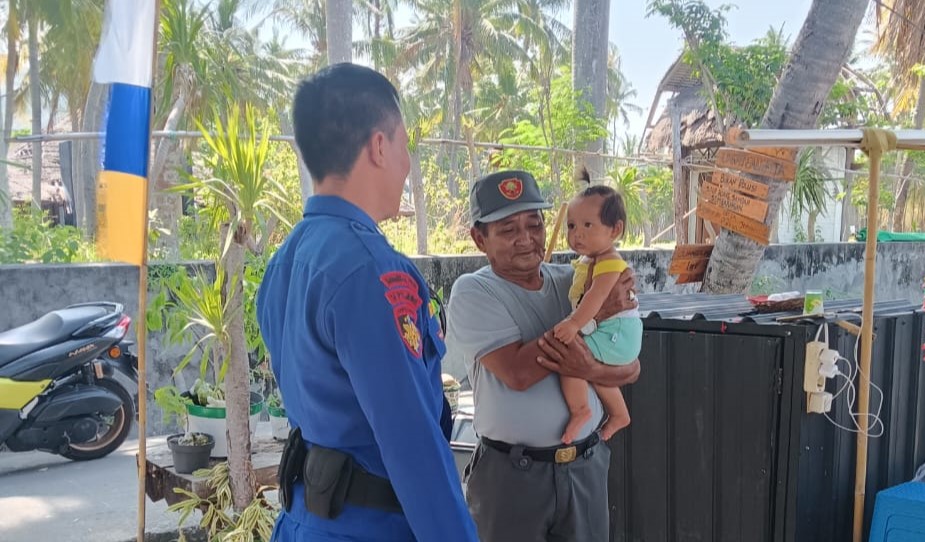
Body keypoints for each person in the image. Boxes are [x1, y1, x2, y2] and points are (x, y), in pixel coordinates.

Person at [256, 63, 478, 542]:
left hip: (306, 521)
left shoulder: (286, 261)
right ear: (379, 146)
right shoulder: (370, 268)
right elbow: (412, 443)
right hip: (370, 527)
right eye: (404, 145)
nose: (407, 163)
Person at [444, 169, 641, 542]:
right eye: (508, 230)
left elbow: (629, 369)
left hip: (585, 465)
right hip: (512, 478)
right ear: (478, 238)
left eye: (534, 225)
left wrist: (592, 365)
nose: (526, 239)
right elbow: (518, 373)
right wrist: (592, 315)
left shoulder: (575, 281)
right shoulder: (474, 292)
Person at [553, 181, 639, 444]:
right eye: (571, 226)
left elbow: (596, 297)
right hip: (614, 332)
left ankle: (581, 411)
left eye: (587, 225)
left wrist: (573, 324)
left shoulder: (610, 262)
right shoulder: (592, 261)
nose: (577, 234)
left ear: (615, 229)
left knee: (572, 359)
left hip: (616, 332)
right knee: (594, 369)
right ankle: (619, 414)